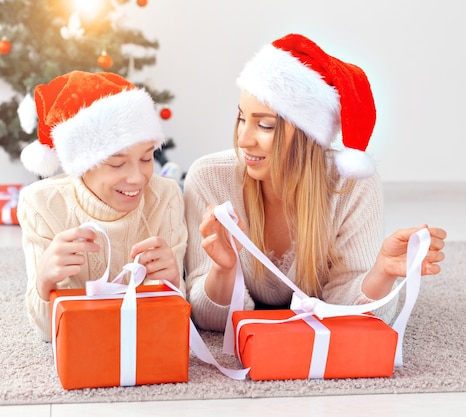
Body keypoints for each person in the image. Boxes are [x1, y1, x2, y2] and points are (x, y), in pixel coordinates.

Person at [183, 33, 447, 332]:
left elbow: (355, 316)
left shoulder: (353, 185)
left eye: (265, 125)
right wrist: (224, 268)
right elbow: (208, 319)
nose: (243, 139)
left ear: (307, 136)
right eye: (242, 118)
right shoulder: (208, 178)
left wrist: (382, 271)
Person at [18, 70, 187, 342]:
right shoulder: (41, 204)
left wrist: (172, 283)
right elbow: (47, 333)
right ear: (82, 166)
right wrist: (44, 282)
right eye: (117, 164)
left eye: (146, 159)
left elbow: (166, 322)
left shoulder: (165, 196)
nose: (137, 178)